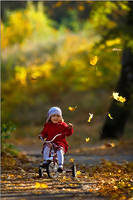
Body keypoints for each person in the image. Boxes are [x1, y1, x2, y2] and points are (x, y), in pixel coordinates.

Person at [38, 106, 73, 173]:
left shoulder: (63, 125)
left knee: (59, 150)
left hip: (60, 142)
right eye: (53, 116)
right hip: (50, 141)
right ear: (50, 117)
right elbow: (44, 133)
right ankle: (45, 161)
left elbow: (68, 133)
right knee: (46, 146)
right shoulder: (48, 125)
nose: (55, 118)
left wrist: (69, 128)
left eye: (58, 116)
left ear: (60, 117)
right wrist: (41, 135)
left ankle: (60, 165)